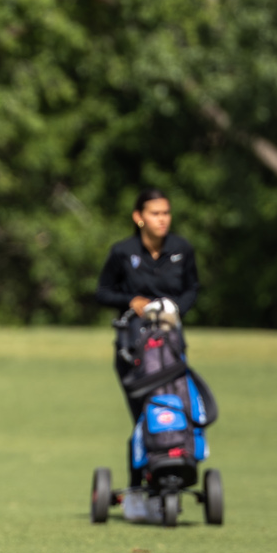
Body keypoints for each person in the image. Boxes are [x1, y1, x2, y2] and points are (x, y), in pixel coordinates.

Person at [95, 188, 199, 499]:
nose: (162, 220)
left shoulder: (182, 249)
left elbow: (193, 288)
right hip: (133, 348)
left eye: (166, 213)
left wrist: (176, 308)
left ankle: (176, 468)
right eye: (155, 214)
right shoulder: (123, 252)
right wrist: (132, 301)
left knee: (175, 410)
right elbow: (101, 292)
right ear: (139, 218)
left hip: (170, 347)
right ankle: (140, 483)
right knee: (144, 415)